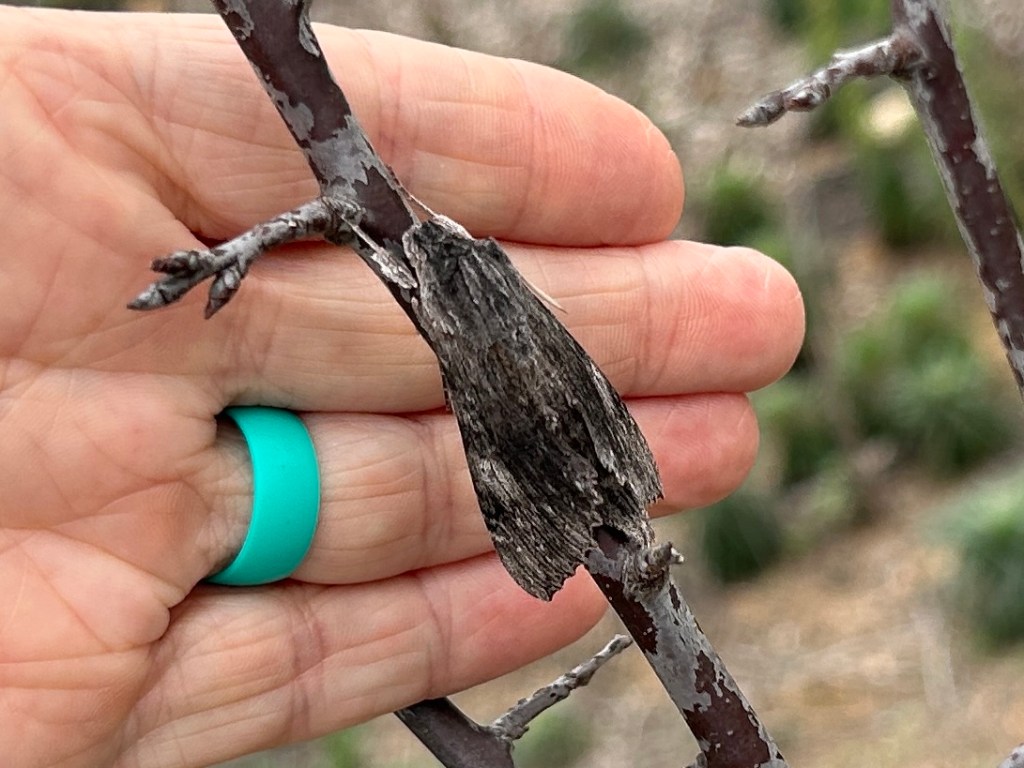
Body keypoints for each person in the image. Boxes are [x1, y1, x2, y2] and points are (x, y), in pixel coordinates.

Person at [0, 6, 804, 767]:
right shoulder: (478, 265)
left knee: (514, 422)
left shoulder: (463, 270)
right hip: (516, 356)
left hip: (497, 354)